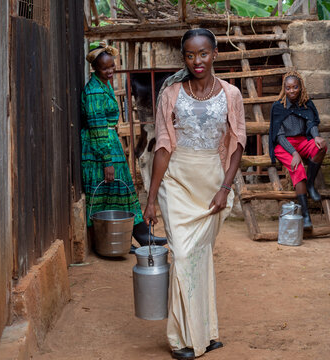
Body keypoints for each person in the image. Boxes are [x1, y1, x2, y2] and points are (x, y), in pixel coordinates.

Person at [143, 29, 246, 360]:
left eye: (203, 53)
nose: (197, 61)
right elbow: (163, 145)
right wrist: (151, 196)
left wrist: (225, 187)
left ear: (215, 53)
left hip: (212, 185)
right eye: (190, 55)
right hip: (177, 181)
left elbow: (237, 143)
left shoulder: (231, 94)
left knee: (200, 258)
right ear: (184, 58)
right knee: (184, 255)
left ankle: (206, 332)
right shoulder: (171, 94)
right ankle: (181, 339)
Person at [81, 42, 166, 253]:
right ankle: (131, 235)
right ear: (95, 69)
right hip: (100, 146)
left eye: (112, 66)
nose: (110, 71)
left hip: (109, 142)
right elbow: (97, 126)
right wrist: (106, 161)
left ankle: (134, 234)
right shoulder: (93, 91)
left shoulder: (104, 85)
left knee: (119, 189)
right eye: (105, 68)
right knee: (115, 188)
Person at [268, 71, 328, 229]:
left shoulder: (306, 103)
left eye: (295, 87)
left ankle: (310, 184)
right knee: (298, 168)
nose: (292, 91)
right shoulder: (278, 107)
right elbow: (279, 135)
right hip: (284, 145)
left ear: (300, 87)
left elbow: (311, 123)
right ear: (284, 89)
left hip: (302, 140)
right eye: (288, 88)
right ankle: (306, 216)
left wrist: (316, 137)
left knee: (321, 147)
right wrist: (294, 154)